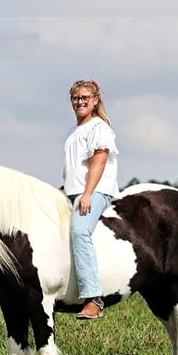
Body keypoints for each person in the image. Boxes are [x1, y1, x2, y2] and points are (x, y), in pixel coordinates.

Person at [62, 79, 119, 319]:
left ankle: (94, 298)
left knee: (79, 231)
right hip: (73, 191)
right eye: (76, 98)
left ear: (95, 100)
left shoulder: (99, 128)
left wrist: (87, 194)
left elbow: (99, 160)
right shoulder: (74, 130)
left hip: (96, 190)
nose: (80, 102)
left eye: (85, 97)